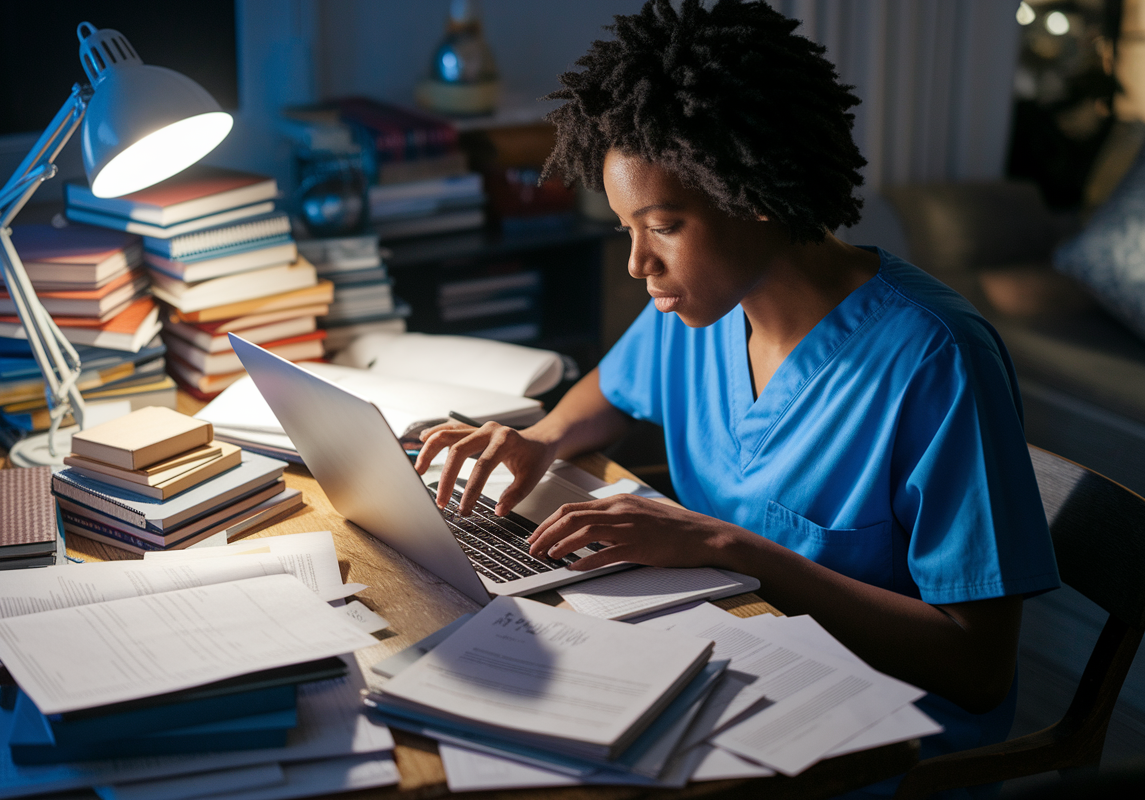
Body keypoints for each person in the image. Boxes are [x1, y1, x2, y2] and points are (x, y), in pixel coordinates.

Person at [414, 1, 1060, 796]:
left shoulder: (934, 359)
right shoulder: (702, 310)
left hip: (879, 742)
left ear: (752, 190)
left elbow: (978, 668)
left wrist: (727, 548)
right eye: (625, 230)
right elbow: (613, 391)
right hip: (725, 666)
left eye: (663, 226)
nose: (635, 264)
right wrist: (543, 438)